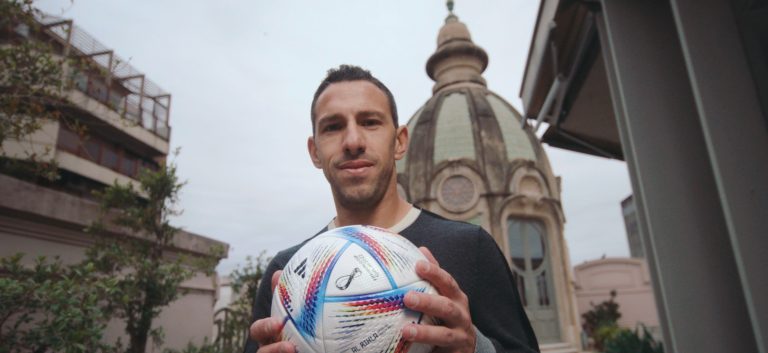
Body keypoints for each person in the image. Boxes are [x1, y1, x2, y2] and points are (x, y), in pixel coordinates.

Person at [244, 65, 539, 353]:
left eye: (370, 122)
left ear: (399, 142)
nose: (353, 142)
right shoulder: (286, 272)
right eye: (333, 127)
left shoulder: (471, 247)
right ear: (315, 151)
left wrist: (474, 347)